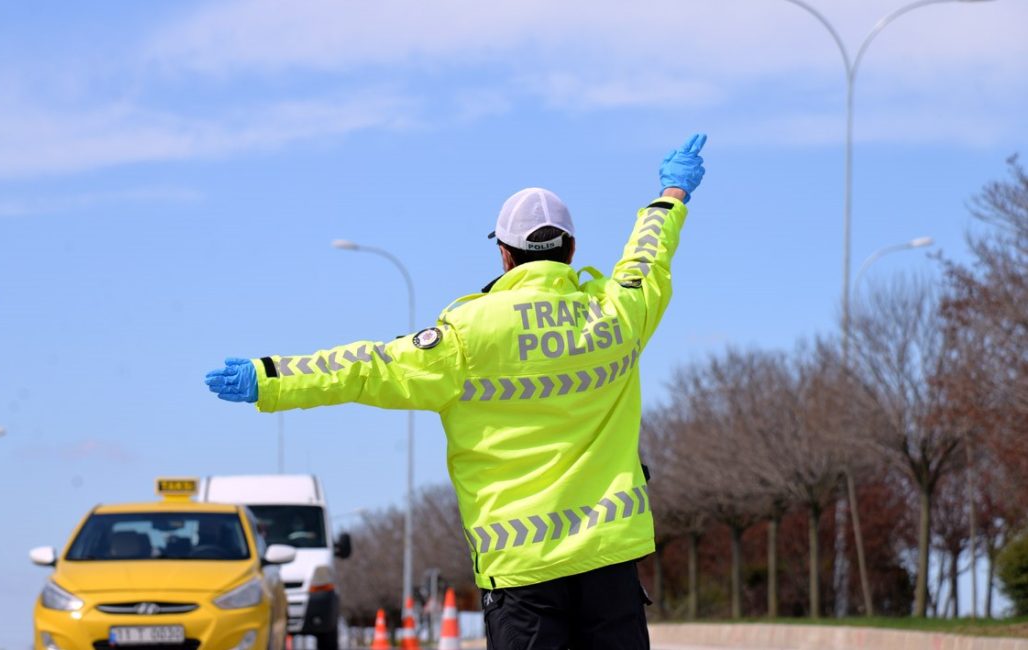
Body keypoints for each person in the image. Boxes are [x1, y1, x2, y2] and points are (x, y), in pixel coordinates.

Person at [205, 133, 707, 649]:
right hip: (609, 562)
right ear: (571, 249)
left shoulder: (468, 335)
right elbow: (646, 260)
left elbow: (365, 367)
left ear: (505, 255)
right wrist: (671, 193)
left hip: (521, 572)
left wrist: (271, 377)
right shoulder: (617, 315)